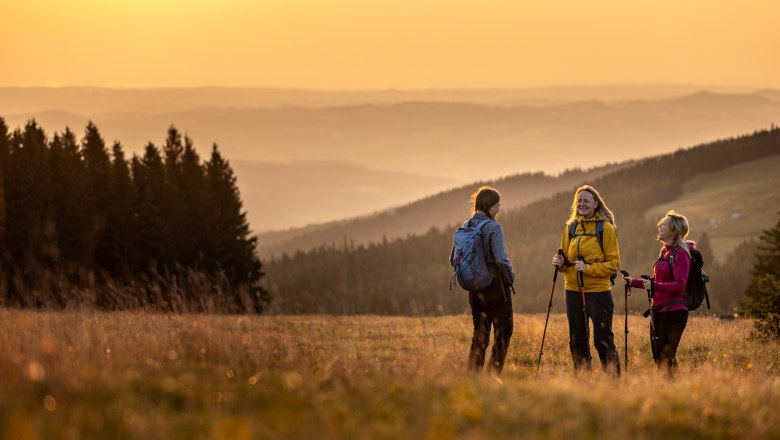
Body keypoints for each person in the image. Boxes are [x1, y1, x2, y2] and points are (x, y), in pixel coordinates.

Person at [551, 185, 621, 375]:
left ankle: (614, 384)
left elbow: (614, 264)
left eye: (586, 200)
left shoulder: (605, 229)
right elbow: (566, 260)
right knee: (577, 339)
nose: (582, 204)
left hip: (598, 293)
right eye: (579, 200)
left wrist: (588, 268)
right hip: (572, 290)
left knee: (602, 339)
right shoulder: (571, 227)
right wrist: (560, 263)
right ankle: (583, 382)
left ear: (596, 204)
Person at [451, 186, 515, 374]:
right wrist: (510, 278)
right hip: (495, 287)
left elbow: (452, 259)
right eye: (497, 205)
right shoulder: (493, 227)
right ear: (490, 206)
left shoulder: (466, 225)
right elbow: (501, 260)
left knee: (480, 334)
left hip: (475, 289)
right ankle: (493, 376)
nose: (499, 208)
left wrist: (472, 275)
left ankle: (473, 375)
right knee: (503, 332)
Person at [622, 210, 693, 376]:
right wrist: (634, 282)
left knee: (666, 357)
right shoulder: (665, 252)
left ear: (674, 230)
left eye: (664, 224)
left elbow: (679, 286)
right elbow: (657, 280)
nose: (659, 226)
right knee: (658, 357)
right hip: (660, 311)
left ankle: (674, 390)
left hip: (674, 312)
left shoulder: (681, 253)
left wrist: (654, 287)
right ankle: (670, 388)